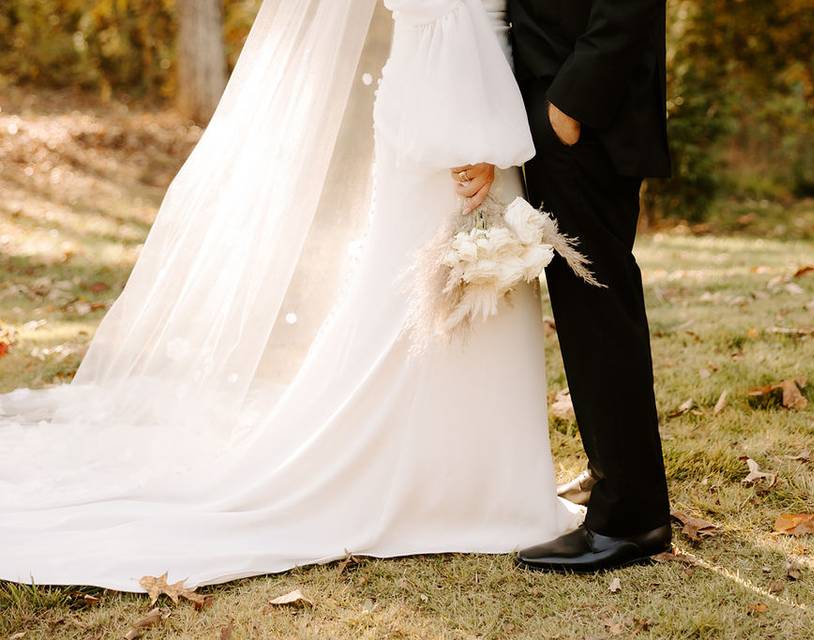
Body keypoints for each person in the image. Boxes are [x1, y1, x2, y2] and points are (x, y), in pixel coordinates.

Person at [0, 0, 581, 591]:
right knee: (442, 291)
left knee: (439, 296)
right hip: (453, 118)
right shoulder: (458, 97)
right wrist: (471, 142)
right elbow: (440, 17)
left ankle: (471, 482)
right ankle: (461, 491)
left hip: (444, 99)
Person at [509, 0, 675, 572]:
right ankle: (616, 476)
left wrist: (570, 102)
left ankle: (631, 518)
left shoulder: (574, 109)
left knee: (598, 311)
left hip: (584, 115)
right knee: (587, 312)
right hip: (559, 108)